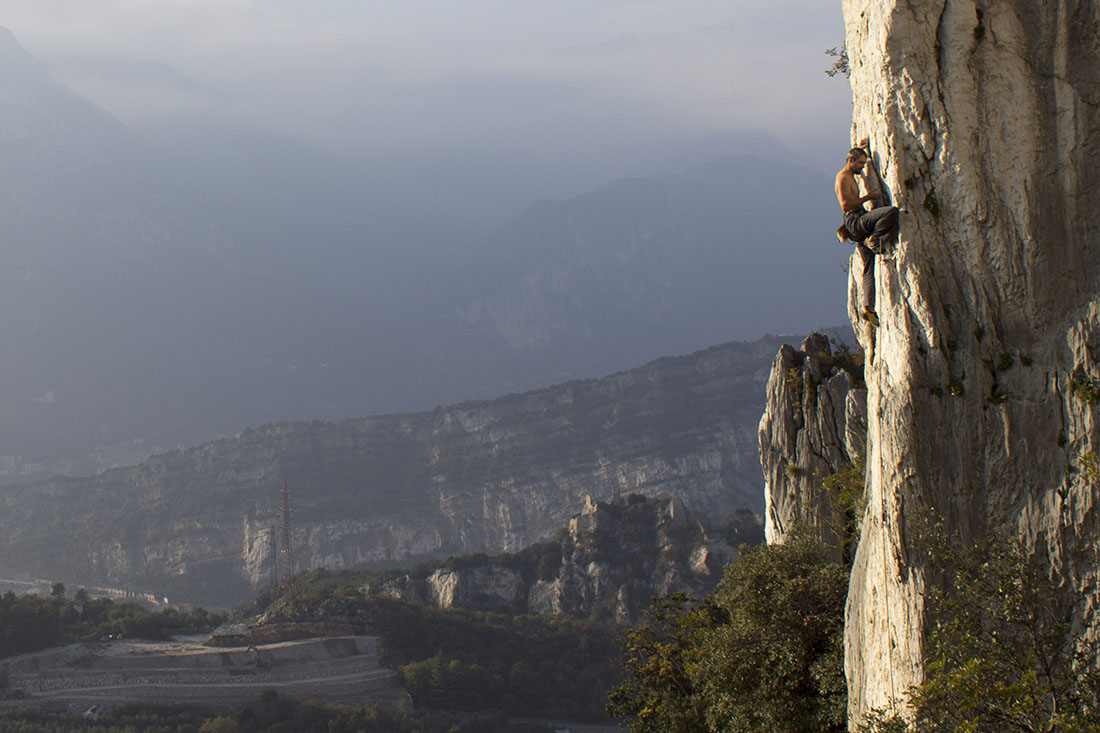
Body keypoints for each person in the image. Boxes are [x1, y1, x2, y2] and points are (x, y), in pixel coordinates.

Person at [835, 143, 899, 326]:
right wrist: (869, 197)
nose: (862, 167)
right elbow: (846, 205)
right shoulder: (843, 178)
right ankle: (874, 237)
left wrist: (861, 147)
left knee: (868, 268)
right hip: (855, 221)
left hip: (856, 222)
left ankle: (868, 308)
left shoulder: (850, 173)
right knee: (891, 212)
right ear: (851, 161)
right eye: (860, 164)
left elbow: (857, 157)